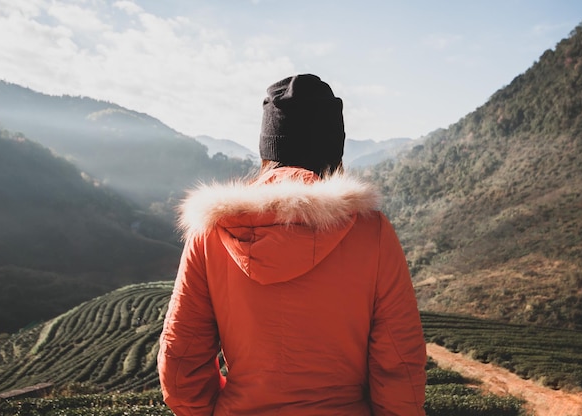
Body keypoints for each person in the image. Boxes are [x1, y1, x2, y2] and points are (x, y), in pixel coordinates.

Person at [157, 74, 427, 415]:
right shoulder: (371, 232)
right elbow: (400, 361)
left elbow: (180, 361)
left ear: (267, 148)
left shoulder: (212, 231)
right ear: (334, 148)